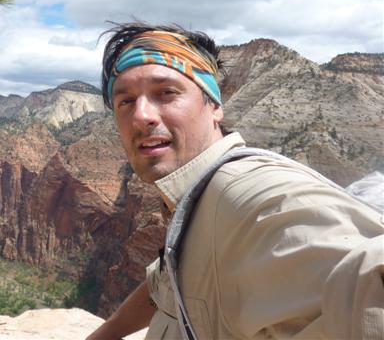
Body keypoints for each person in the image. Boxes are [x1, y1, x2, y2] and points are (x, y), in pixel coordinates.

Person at [86, 22, 384, 340]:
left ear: (214, 106)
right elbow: (167, 279)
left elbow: (364, 277)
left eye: (166, 93)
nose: (141, 115)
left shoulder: (253, 199)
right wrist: (104, 335)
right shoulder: (196, 201)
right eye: (125, 101)